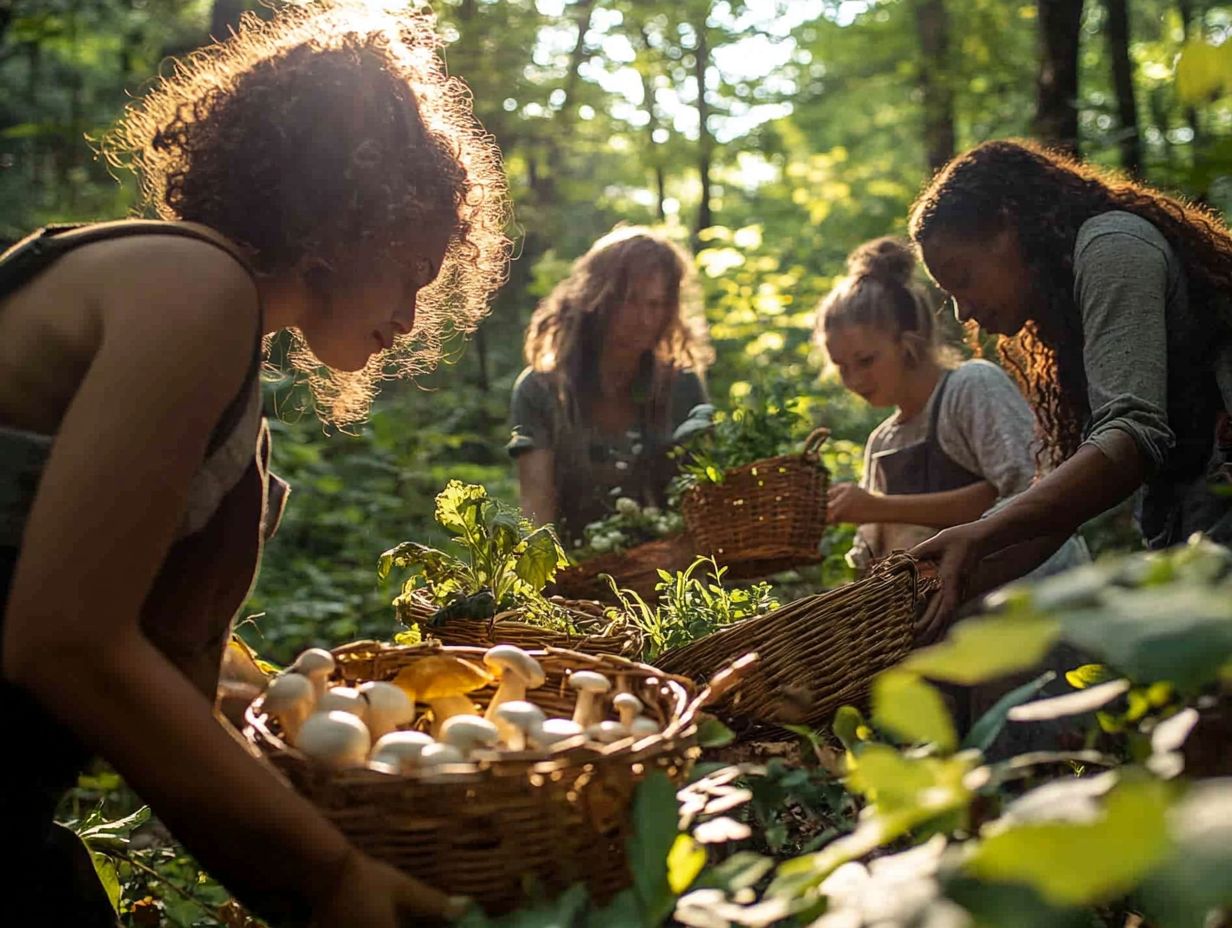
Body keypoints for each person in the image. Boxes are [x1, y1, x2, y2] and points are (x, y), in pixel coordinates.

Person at [0, 6, 508, 925]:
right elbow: (64, 639)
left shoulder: (222, 357)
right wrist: (328, 881)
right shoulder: (191, 288)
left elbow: (161, 678)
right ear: (351, 214)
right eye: (412, 267)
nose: (413, 307)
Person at [907, 138, 1232, 638]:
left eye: (963, 278)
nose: (962, 311)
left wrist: (982, 531)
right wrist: (939, 588)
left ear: (1011, 223)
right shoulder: (1064, 313)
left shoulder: (1113, 247)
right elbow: (1059, 510)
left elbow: (1130, 441)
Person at [509, 226, 713, 548]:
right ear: (597, 298)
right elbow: (536, 511)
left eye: (656, 304)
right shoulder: (541, 391)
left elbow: (703, 501)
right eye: (631, 301)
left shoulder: (682, 387)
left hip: (671, 573)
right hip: (574, 576)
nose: (645, 318)